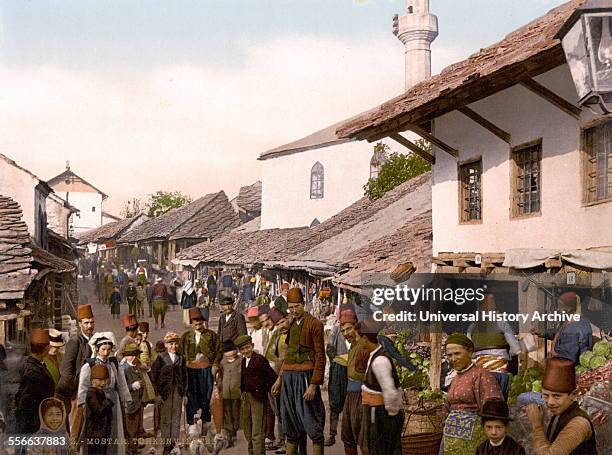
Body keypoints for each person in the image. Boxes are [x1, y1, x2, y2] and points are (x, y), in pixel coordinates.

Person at [272, 288, 326, 455]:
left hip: (305, 378)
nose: (294, 311)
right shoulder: (290, 324)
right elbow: (288, 355)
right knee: (290, 423)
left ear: (303, 304)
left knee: (312, 423)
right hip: (289, 378)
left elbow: (320, 356)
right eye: (291, 307)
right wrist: (279, 379)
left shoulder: (314, 324)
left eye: (296, 306)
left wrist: (313, 384)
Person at [442, 333, 504, 455]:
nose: (453, 359)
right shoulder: (455, 378)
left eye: (457, 353)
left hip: (472, 438)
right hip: (450, 437)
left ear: (470, 352)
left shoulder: (481, 375)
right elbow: (448, 406)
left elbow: (493, 409)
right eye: (449, 355)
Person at [525, 356, 598, 454]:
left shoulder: (579, 424)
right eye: (546, 395)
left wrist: (537, 426)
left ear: (573, 395)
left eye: (557, 396)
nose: (550, 402)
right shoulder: (560, 413)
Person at [77, 335, 131, 455]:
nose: (106, 352)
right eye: (103, 349)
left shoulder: (113, 364)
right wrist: (82, 405)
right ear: (97, 349)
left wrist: (124, 400)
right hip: (95, 402)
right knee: (97, 432)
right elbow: (83, 387)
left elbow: (121, 383)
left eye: (108, 349)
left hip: (113, 400)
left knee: (113, 430)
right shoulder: (89, 365)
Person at [360, 318, 403, 455]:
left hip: (381, 413)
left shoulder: (380, 360)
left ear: (365, 339)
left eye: (359, 338)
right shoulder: (375, 355)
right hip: (376, 410)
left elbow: (390, 392)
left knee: (381, 449)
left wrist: (389, 420)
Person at [467, 293, 522, 398]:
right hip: (499, 374)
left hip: (480, 375)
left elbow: (469, 354)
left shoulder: (472, 327)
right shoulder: (502, 324)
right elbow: (516, 349)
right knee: (498, 405)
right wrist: (509, 353)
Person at [180, 307, 221, 438]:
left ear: (203, 322)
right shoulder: (186, 336)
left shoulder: (211, 335)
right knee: (191, 397)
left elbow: (219, 351)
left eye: (200, 323)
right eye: (195, 324)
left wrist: (215, 364)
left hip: (206, 370)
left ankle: (206, 424)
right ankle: (192, 424)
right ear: (191, 324)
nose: (198, 326)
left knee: (206, 397)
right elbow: (180, 353)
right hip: (191, 371)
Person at [236, 335, 278, 455]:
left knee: (257, 430)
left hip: (258, 399)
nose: (246, 351)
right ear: (240, 351)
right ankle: (252, 452)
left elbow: (272, 377)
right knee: (248, 429)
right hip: (246, 397)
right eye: (242, 349)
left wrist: (262, 390)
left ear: (252, 346)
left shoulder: (260, 360)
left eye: (247, 347)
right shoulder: (244, 361)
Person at [57, 304, 95, 434]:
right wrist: (74, 390)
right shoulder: (75, 341)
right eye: (86, 323)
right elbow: (66, 369)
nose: (89, 326)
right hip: (78, 391)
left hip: (93, 389)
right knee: (76, 425)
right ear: (80, 324)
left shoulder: (95, 340)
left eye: (91, 322)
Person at [341, 308, 374, 455]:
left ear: (356, 327)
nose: (346, 333)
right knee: (348, 436)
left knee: (365, 439)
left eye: (349, 329)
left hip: (363, 396)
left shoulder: (364, 344)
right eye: (343, 330)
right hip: (351, 395)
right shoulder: (353, 345)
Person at [151, 332, 187, 455]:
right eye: (171, 344)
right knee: (166, 418)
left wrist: (185, 393)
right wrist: (157, 394)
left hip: (177, 391)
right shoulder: (161, 358)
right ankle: (166, 444)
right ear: (166, 345)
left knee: (176, 417)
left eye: (176, 343)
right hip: (165, 392)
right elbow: (154, 377)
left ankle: (173, 441)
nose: (174, 346)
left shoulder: (181, 358)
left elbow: (185, 376)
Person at [15, 328, 55, 434]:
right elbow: (26, 402)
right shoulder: (34, 372)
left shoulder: (30, 364)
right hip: (33, 425)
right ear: (46, 348)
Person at [549, 292, 593, 364]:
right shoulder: (578, 320)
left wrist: (554, 355)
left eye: (560, 306)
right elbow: (561, 335)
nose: (558, 309)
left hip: (571, 370)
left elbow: (569, 358)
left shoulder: (573, 328)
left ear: (568, 308)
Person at [121, 343, 146, 455]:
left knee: (136, 427)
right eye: (131, 355)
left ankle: (134, 446)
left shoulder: (136, 366)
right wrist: (132, 386)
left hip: (138, 401)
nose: (134, 357)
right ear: (126, 356)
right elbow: (122, 386)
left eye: (135, 355)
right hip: (129, 403)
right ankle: (131, 449)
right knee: (130, 428)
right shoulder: (123, 369)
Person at [84, 364, 114, 455]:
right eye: (100, 380)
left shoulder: (99, 392)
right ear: (93, 381)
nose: (104, 383)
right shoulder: (92, 394)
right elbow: (99, 411)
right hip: (95, 433)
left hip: (101, 432)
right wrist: (108, 402)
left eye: (105, 380)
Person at [219, 340, 242, 448]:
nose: (229, 353)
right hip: (225, 393)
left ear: (236, 350)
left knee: (236, 413)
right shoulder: (223, 363)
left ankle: (235, 431)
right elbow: (220, 377)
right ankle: (229, 435)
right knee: (227, 414)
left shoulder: (240, 361)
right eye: (226, 351)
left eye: (231, 350)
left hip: (237, 392)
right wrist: (219, 388)